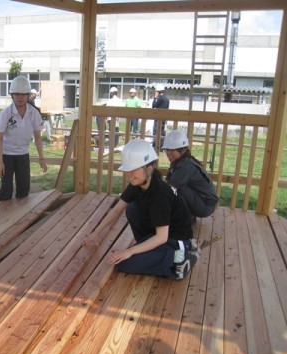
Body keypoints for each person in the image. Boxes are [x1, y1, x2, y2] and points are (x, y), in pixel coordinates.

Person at [84, 139, 200, 280]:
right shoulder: (137, 183)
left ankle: (179, 260)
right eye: (128, 170)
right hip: (160, 236)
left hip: (176, 241)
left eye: (133, 170)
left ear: (149, 168)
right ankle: (149, 250)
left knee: (124, 263)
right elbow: (116, 210)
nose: (129, 174)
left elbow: (162, 237)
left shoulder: (160, 195)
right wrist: (95, 234)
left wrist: (130, 251)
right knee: (132, 209)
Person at [0, 76, 48, 201]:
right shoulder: (5, 113)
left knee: (24, 188)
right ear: (12, 95)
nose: (20, 97)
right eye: (17, 94)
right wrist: (0, 162)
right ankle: (4, 216)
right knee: (6, 188)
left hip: (23, 154)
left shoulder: (33, 113)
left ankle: (22, 217)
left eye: (23, 94)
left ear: (28, 95)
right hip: (7, 155)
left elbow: (37, 137)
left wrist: (41, 158)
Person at [163, 129, 219, 221]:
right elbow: (167, 181)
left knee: (176, 189)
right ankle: (188, 217)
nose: (169, 153)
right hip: (203, 202)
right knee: (175, 188)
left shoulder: (185, 166)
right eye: (167, 149)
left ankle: (185, 218)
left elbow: (168, 189)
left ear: (183, 150)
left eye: (172, 150)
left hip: (205, 206)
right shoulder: (180, 161)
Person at [152, 84, 169, 149]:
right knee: (162, 131)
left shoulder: (160, 99)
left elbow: (154, 106)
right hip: (164, 117)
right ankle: (162, 145)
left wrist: (155, 98)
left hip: (158, 118)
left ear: (158, 92)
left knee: (156, 131)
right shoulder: (167, 99)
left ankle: (155, 145)